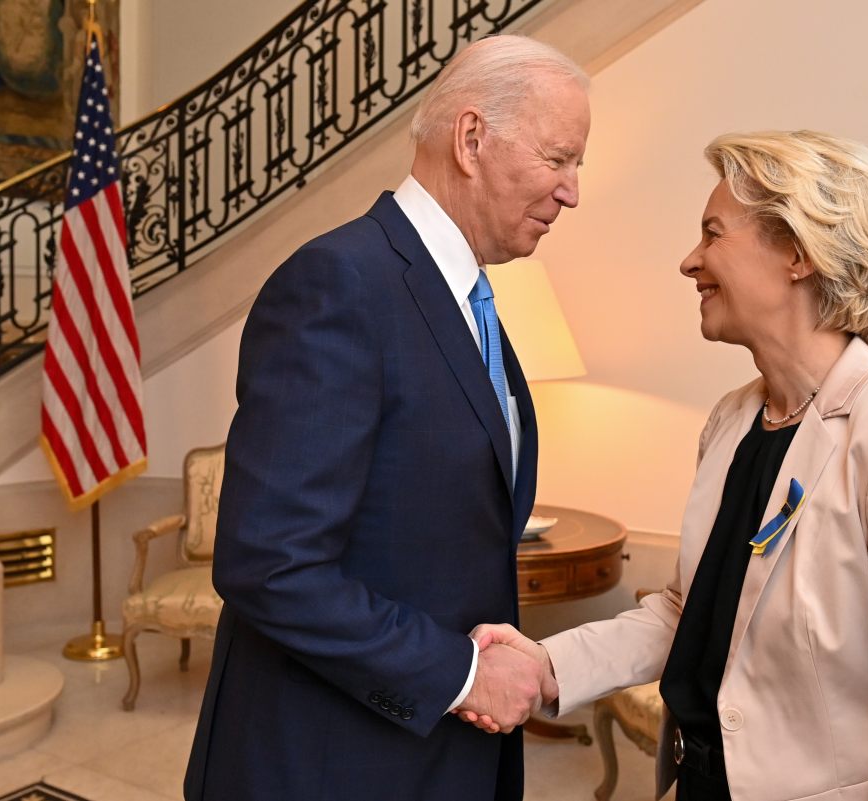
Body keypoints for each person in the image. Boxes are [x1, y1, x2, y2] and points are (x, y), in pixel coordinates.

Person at [466, 130, 868, 801]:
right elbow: (688, 612)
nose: (689, 261)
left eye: (713, 233)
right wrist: (549, 662)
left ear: (798, 253)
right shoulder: (733, 420)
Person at [182, 35, 590, 801]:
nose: (571, 191)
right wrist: (463, 675)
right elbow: (271, 563)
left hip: (437, 756)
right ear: (472, 140)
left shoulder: (468, 300)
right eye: (558, 158)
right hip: (332, 761)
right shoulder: (339, 283)